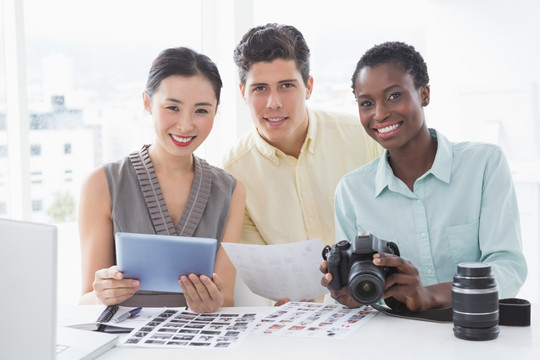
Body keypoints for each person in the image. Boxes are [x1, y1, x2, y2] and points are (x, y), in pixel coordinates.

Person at [321, 41, 527, 312]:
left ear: (425, 94)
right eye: (366, 103)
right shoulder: (352, 190)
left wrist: (429, 295)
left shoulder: (484, 164)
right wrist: (349, 294)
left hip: (472, 333)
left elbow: (508, 268)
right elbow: (356, 289)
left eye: (394, 95)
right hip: (391, 341)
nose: (380, 113)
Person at [79, 47, 246, 313]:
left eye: (201, 110)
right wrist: (102, 294)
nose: (185, 125)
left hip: (199, 338)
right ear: (147, 103)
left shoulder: (230, 190)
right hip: (123, 341)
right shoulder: (102, 183)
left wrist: (213, 302)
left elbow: (226, 301)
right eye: (172, 107)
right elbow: (86, 298)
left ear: (216, 110)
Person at [223, 23, 381, 249]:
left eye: (286, 85)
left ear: (308, 87)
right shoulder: (232, 174)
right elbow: (259, 269)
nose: (274, 103)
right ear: (243, 93)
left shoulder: (364, 137)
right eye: (260, 88)